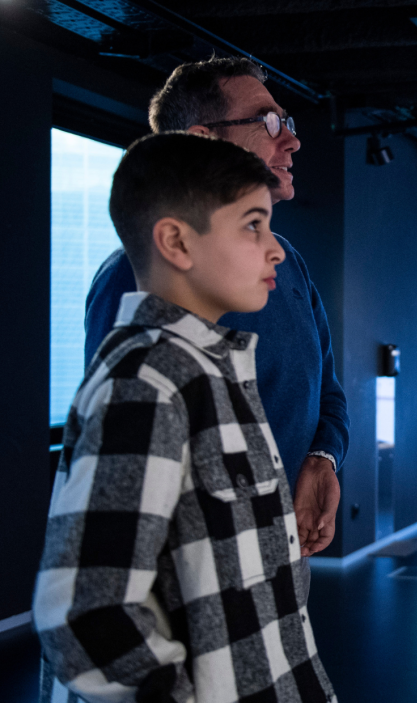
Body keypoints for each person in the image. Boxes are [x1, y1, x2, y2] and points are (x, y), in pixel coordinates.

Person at [34, 133, 337, 703]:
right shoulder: (144, 383)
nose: (275, 250)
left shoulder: (214, 370)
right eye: (253, 225)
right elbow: (88, 614)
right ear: (175, 241)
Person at [84, 57, 348, 560]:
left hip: (284, 552)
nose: (291, 140)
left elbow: (326, 392)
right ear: (205, 140)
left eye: (287, 123)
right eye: (268, 122)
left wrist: (322, 458)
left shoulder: (288, 263)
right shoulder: (135, 275)